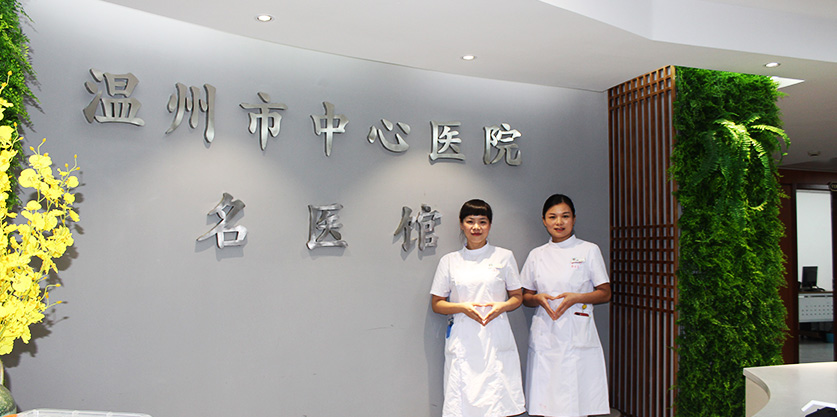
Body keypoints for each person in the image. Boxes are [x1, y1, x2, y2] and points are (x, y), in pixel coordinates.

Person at [430, 199, 526, 417]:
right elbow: (437, 303)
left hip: (495, 333)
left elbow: (517, 297)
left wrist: (502, 306)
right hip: (464, 336)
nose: (476, 227)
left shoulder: (504, 256)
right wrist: (462, 308)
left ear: (490, 225)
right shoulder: (449, 261)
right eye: (470, 221)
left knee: (497, 399)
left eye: (482, 222)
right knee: (463, 400)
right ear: (461, 224)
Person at [521, 194, 611, 417]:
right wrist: (538, 299)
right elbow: (525, 296)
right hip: (546, 335)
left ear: (574, 218)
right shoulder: (536, 255)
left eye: (565, 216)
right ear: (544, 220)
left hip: (576, 333)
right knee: (546, 400)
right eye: (552, 217)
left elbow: (605, 293)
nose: (559, 222)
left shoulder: (588, 250)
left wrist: (576, 298)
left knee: (576, 400)